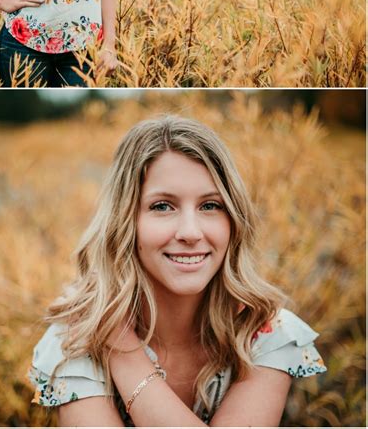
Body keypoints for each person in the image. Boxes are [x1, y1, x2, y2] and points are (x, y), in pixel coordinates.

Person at [29, 113, 326, 425]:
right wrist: (106, 330)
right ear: (125, 220)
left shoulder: (267, 334)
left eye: (210, 205)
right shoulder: (76, 340)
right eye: (162, 206)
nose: (190, 232)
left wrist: (123, 352)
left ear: (233, 220)